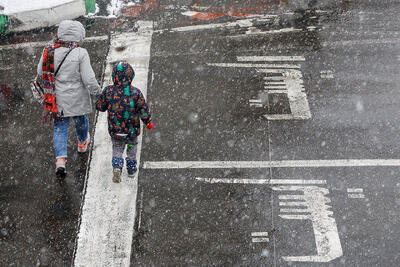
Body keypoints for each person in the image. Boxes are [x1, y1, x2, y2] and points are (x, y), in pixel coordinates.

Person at [37, 20, 102, 177]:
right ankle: (81, 144)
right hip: (78, 98)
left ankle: (60, 160)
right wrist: (98, 91)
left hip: (57, 100)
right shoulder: (81, 53)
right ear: (79, 36)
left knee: (60, 128)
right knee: (81, 122)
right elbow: (88, 78)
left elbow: (40, 72)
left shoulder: (49, 50)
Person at [96, 62, 153, 183]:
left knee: (117, 147)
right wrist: (148, 122)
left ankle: (117, 167)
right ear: (131, 76)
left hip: (116, 130)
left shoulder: (108, 91)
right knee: (132, 148)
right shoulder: (136, 93)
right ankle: (131, 170)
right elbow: (143, 110)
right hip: (131, 131)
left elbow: (100, 107)